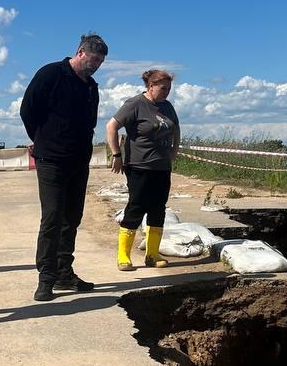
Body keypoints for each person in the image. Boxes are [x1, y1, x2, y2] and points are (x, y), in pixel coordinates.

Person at [20, 33, 108, 301]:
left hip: (79, 162)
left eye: (100, 63)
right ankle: (46, 278)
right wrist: (43, 139)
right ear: (80, 52)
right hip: (51, 161)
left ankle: (64, 274)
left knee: (72, 219)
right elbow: (28, 110)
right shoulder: (51, 74)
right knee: (52, 218)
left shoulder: (91, 87)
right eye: (93, 60)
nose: (95, 66)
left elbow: (90, 123)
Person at [106, 69, 180, 270]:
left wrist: (174, 150)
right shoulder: (135, 104)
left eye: (169, 89)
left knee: (158, 208)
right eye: (163, 88)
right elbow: (111, 126)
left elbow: (176, 128)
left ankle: (152, 254)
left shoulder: (167, 106)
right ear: (150, 86)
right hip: (139, 165)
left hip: (162, 166)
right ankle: (123, 256)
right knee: (137, 206)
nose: (166, 92)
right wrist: (116, 154)